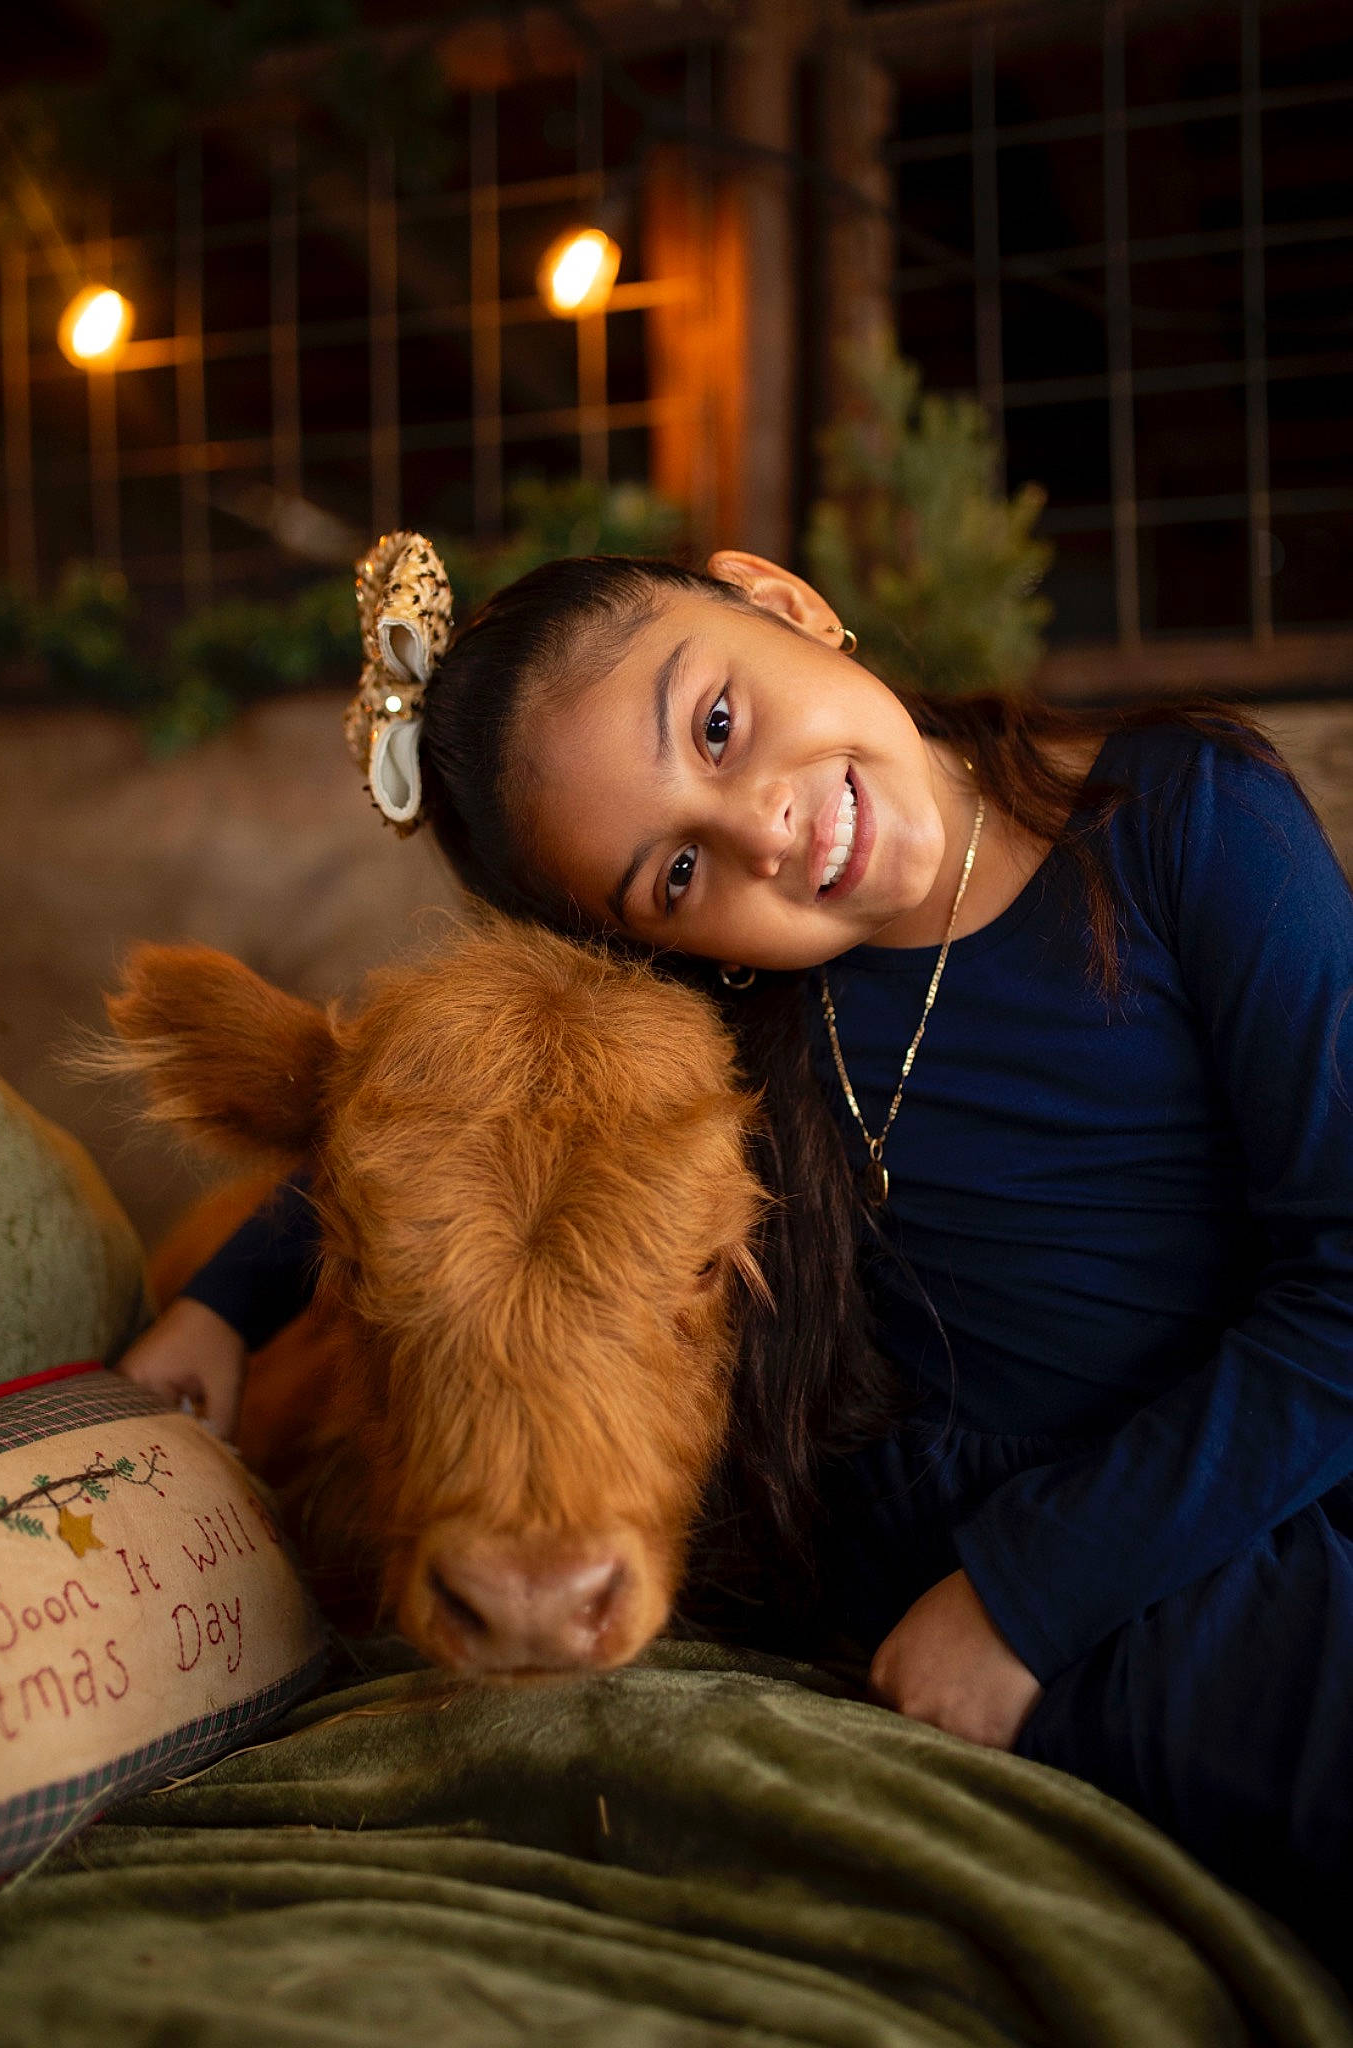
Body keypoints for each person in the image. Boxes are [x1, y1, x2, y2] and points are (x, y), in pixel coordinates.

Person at [118, 542, 1353, 1958]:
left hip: (1212, 1494)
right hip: (950, 1546)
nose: (763, 832)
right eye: (677, 869)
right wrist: (221, 1300)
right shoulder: (732, 990)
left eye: (712, 723)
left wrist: (1026, 1601)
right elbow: (451, 1148)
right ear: (648, 936)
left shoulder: (1176, 815)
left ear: (780, 602)